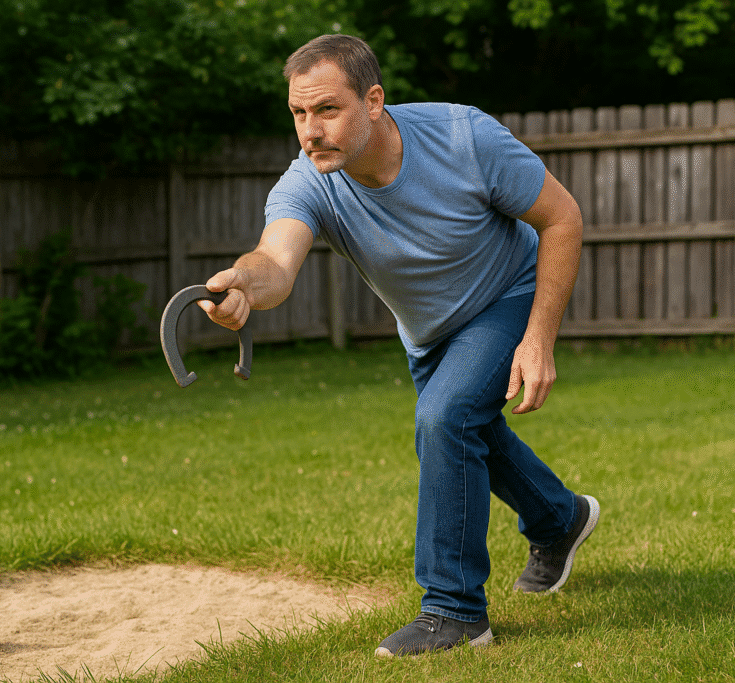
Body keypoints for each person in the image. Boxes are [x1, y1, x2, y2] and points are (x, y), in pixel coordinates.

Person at [197, 34, 600, 657]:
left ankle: (455, 611)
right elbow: (276, 260)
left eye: (327, 109)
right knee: (469, 433)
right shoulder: (311, 181)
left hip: (506, 293)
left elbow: (562, 216)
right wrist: (242, 283)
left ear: (374, 100)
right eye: (299, 114)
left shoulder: (465, 138)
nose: (311, 130)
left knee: (444, 419)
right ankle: (559, 518)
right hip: (430, 331)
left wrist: (538, 337)